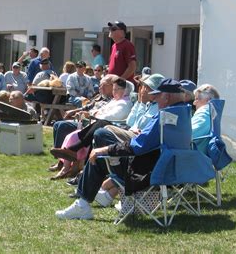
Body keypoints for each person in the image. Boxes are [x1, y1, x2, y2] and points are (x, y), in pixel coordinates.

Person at [55, 78, 187, 220]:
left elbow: (137, 146)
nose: (155, 99)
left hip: (147, 172)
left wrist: (105, 150)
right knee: (103, 142)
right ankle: (103, 195)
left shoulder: (164, 116)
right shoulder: (184, 114)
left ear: (166, 97)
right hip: (171, 169)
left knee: (98, 158)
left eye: (158, 95)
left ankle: (83, 204)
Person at [192, 84, 220, 153]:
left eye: (196, 99)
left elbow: (187, 136)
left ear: (208, 100)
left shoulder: (203, 113)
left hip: (193, 158)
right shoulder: (212, 112)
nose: (194, 103)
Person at [107, 21, 137, 85]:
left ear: (122, 32)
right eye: (110, 29)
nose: (110, 30)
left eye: (113, 29)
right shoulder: (114, 46)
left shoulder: (127, 45)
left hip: (123, 86)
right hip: (114, 85)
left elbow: (132, 66)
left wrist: (120, 80)